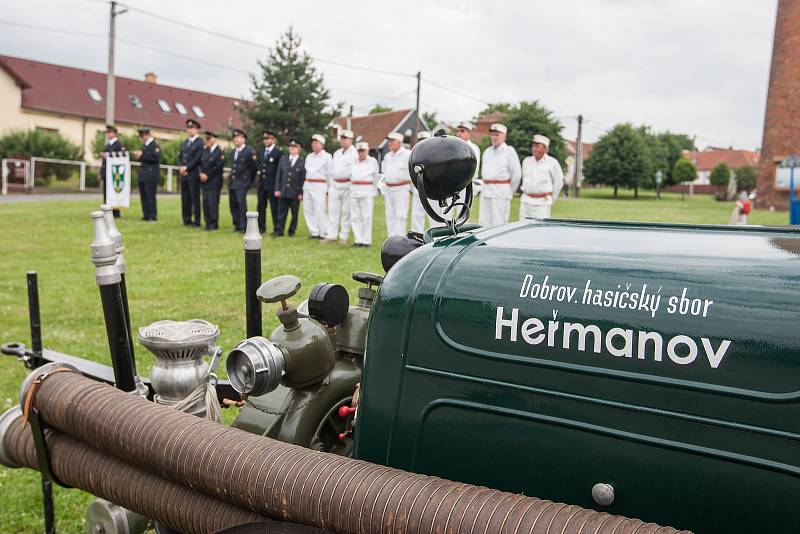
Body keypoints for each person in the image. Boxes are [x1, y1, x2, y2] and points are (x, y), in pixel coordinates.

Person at [480, 123, 521, 226]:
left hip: (501, 193)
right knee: (484, 223)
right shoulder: (487, 151)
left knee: (499, 224)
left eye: (497, 135)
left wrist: (508, 190)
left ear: (504, 136)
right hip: (486, 191)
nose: (494, 137)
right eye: (492, 134)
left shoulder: (509, 151)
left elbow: (516, 175)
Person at [323, 129, 357, 244]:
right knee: (333, 211)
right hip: (335, 184)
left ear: (350, 140)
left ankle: (344, 236)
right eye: (341, 139)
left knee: (346, 212)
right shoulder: (337, 153)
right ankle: (331, 235)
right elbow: (332, 170)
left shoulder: (355, 153)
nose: (342, 141)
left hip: (348, 184)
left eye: (345, 139)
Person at [519, 134, 564, 220]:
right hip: (525, 202)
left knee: (540, 230)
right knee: (523, 229)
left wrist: (551, 199)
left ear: (545, 149)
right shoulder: (526, 161)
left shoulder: (552, 162)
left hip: (542, 203)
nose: (534, 149)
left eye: (537, 146)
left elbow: (559, 182)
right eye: (533, 146)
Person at [381, 132, 412, 237]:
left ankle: (400, 237)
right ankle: (391, 238)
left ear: (399, 142)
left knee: (401, 214)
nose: (389, 143)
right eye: (388, 141)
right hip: (389, 188)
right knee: (389, 214)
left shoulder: (408, 154)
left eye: (392, 141)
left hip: (402, 188)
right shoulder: (387, 156)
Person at [350, 142, 379, 247]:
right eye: (359, 151)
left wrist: (374, 190)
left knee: (366, 216)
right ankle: (358, 239)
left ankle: (367, 240)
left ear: (367, 151)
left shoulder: (372, 161)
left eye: (363, 151)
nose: (361, 153)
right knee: (355, 216)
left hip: (366, 190)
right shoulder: (353, 161)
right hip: (354, 190)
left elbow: (376, 177)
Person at [274, 139, 306, 237]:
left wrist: (301, 192)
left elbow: (303, 179)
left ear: (299, 149)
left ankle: (292, 231)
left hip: (295, 192)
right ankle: (279, 230)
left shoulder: (302, 162)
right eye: (290, 147)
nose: (292, 149)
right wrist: (277, 189)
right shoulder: (283, 160)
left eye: (294, 147)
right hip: (284, 191)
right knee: (281, 212)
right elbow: (278, 176)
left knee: (294, 213)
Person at [303, 133, 332, 239]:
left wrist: (329, 188)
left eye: (316, 142)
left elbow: (329, 174)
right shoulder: (309, 156)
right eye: (312, 142)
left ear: (322, 145)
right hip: (308, 184)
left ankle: (324, 232)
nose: (313, 145)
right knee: (308, 209)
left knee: (320, 209)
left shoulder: (327, 157)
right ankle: (314, 231)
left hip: (319, 185)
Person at [228, 129, 257, 233]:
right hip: (233, 181)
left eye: (238, 137)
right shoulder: (233, 151)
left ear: (243, 139)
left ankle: (244, 225)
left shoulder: (249, 151)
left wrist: (249, 181)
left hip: (243, 182)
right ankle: (236, 224)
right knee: (233, 203)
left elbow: (253, 168)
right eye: (234, 137)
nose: (235, 139)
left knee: (241, 204)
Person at [178, 119, 204, 227]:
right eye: (188, 128)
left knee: (194, 198)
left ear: (197, 129)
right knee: (185, 198)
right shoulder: (185, 143)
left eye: (192, 128)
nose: (190, 130)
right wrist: (180, 167)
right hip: (184, 175)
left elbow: (198, 158)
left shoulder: (200, 143)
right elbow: (179, 156)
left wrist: (187, 168)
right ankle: (186, 219)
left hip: (193, 174)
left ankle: (197, 220)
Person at [257, 130, 282, 234]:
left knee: (274, 208)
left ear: (273, 140)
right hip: (262, 185)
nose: (265, 141)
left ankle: (277, 228)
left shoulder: (278, 153)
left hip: (272, 185)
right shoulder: (261, 152)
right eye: (264, 139)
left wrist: (278, 186)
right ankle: (261, 228)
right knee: (261, 207)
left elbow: (279, 171)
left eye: (268, 138)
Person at [199, 131, 224, 231]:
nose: (207, 141)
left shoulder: (219, 152)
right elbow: (200, 163)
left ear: (214, 139)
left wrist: (207, 175)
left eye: (208, 139)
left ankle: (214, 223)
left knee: (212, 202)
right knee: (205, 202)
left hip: (214, 181)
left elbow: (218, 167)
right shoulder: (205, 151)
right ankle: (207, 222)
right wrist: (200, 173)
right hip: (205, 181)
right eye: (206, 139)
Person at [133, 128, 160, 222]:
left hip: (151, 174)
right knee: (143, 195)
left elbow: (154, 158)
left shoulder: (154, 145)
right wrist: (138, 156)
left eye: (143, 136)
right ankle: (146, 214)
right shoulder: (145, 145)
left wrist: (142, 155)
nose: (142, 138)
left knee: (150, 196)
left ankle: (153, 215)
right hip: (143, 174)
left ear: (147, 135)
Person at [99, 125, 125, 218]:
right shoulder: (107, 145)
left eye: (110, 132)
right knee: (106, 193)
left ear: (115, 133)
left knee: (114, 192)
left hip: (114, 173)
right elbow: (104, 162)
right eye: (108, 133)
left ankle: (116, 212)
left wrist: (108, 155)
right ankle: (107, 210)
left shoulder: (118, 145)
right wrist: (101, 173)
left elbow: (121, 156)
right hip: (107, 172)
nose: (109, 134)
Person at [410, 130, 432, 233]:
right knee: (416, 215)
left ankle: (438, 239)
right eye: (420, 140)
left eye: (424, 140)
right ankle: (417, 238)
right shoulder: (414, 154)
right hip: (418, 187)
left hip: (432, 189)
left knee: (434, 216)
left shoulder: (434, 153)